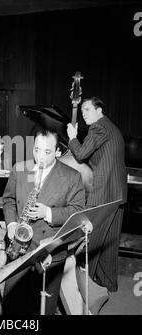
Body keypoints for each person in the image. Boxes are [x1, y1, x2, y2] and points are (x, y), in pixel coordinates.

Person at [2, 129, 85, 315]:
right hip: (19, 248)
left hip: (51, 250)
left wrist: (47, 212)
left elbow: (78, 212)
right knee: (12, 303)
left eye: (47, 152)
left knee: (43, 306)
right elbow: (8, 200)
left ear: (57, 152)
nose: (40, 157)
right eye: (37, 150)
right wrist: (12, 224)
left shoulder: (72, 177)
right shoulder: (20, 169)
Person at [67, 97, 127, 292]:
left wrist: (72, 138)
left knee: (91, 244)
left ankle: (84, 291)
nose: (84, 113)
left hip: (103, 195)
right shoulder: (111, 128)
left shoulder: (98, 128)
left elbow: (82, 153)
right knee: (109, 243)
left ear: (99, 110)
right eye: (82, 110)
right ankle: (108, 283)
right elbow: (98, 159)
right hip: (117, 194)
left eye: (87, 109)